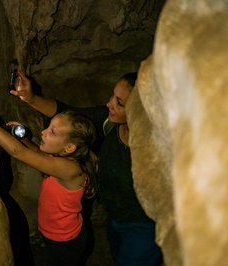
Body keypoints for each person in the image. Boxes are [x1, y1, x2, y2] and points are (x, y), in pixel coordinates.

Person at [10, 70, 163, 266]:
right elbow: (69, 113)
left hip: (144, 227)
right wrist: (30, 98)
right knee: (118, 255)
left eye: (119, 103)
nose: (110, 104)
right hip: (115, 217)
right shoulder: (109, 123)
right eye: (113, 96)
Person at [0, 89, 99, 266]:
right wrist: (21, 136)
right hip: (54, 234)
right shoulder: (62, 159)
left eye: (52, 132)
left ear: (69, 147)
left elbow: (17, 152)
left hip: (65, 240)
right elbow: (37, 153)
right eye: (48, 126)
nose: (44, 132)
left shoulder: (69, 168)